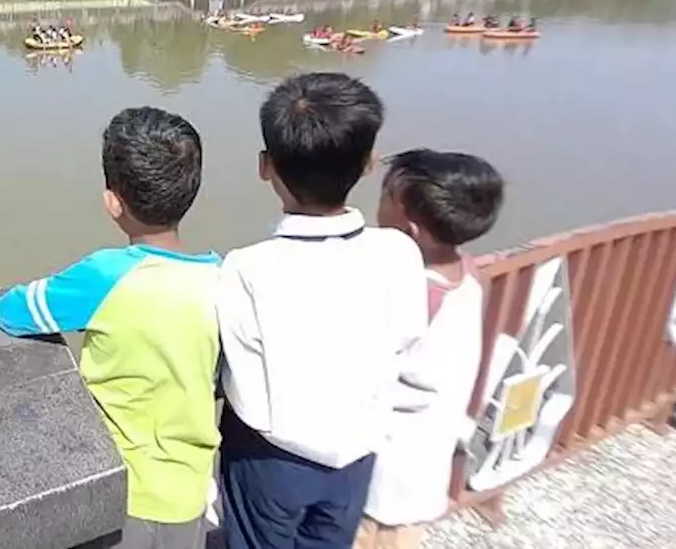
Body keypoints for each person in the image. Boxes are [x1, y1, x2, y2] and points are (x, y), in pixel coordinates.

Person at [215, 72, 429, 549]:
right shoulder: (398, 252)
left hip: (271, 458)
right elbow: (409, 342)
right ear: (370, 163)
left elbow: (237, 370)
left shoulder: (247, 267)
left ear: (265, 166)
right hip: (357, 450)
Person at [0, 107, 221, 549]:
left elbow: (12, 311)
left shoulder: (103, 276)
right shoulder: (222, 277)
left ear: (112, 202)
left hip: (125, 491)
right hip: (191, 487)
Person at [355, 150, 504, 549]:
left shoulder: (409, 293)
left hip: (382, 479)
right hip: (426, 468)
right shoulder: (468, 275)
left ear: (411, 227)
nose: (377, 206)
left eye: (386, 197)